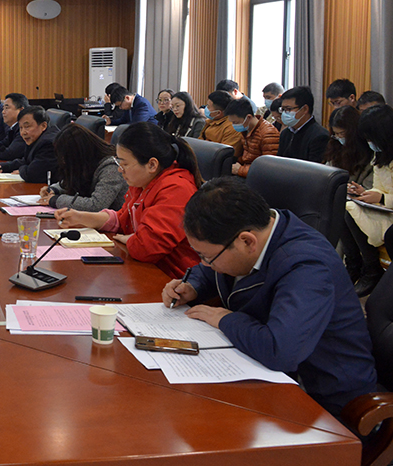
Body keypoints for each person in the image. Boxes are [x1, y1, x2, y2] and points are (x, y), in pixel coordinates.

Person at [162, 177, 376, 419]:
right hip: (266, 374)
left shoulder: (307, 267)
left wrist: (224, 319)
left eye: (206, 257)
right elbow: (216, 267)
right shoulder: (253, 232)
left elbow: (280, 350)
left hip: (324, 401)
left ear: (247, 241)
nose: (205, 263)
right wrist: (192, 285)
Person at [55, 122, 202, 278]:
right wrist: (81, 217)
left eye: (124, 163)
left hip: (172, 278)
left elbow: (145, 248)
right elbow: (122, 219)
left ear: (152, 165)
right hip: (144, 269)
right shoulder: (143, 182)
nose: (120, 169)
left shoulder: (176, 189)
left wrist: (131, 238)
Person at [344, 105, 393, 296]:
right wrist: (365, 192)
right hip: (384, 208)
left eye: (371, 138)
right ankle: (356, 265)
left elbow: (383, 193)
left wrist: (381, 197)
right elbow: (380, 186)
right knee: (344, 207)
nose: (369, 143)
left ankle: (372, 270)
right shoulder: (380, 155)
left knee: (350, 211)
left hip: (388, 210)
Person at [41, 123, 127, 211]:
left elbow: (96, 205)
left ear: (77, 154)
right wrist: (54, 189)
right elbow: (75, 180)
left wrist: (55, 200)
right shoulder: (87, 162)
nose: (63, 161)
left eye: (66, 158)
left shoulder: (112, 168)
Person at [0, 106, 58, 183]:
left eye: (27, 127)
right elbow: (26, 160)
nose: (23, 132)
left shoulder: (49, 143)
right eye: (21, 128)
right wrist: (2, 167)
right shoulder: (36, 138)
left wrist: (21, 170)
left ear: (43, 126)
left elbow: (33, 174)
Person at [322, 105, 374, 191]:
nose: (339, 137)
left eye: (342, 133)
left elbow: (368, 187)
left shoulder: (368, 151)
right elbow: (327, 172)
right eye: (336, 134)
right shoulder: (335, 145)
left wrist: (353, 189)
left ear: (353, 131)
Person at [225, 98, 278, 178]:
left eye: (235, 122)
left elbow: (269, 168)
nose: (234, 125)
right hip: (247, 171)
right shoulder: (247, 129)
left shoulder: (268, 133)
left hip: (257, 177)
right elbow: (247, 157)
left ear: (248, 117)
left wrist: (240, 170)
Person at [276, 86, 330, 163]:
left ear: (305, 109)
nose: (284, 113)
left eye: (288, 109)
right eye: (283, 109)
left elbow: (314, 168)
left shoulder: (320, 136)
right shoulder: (285, 134)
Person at [200, 90, 243, 158]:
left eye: (209, 106)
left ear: (218, 113)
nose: (206, 108)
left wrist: (207, 145)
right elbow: (199, 142)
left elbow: (226, 154)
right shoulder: (211, 120)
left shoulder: (233, 127)